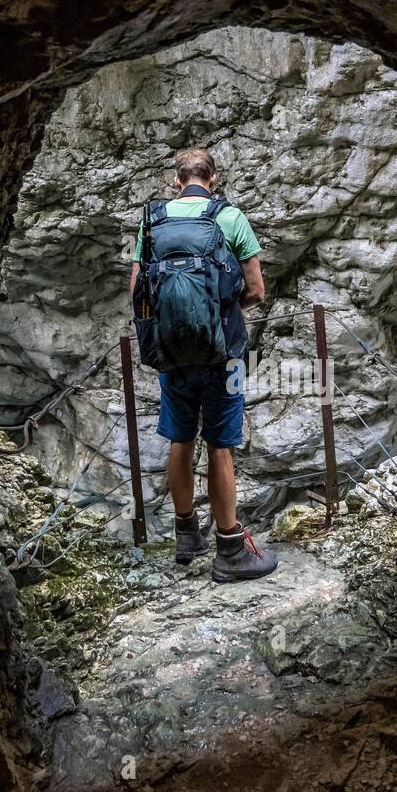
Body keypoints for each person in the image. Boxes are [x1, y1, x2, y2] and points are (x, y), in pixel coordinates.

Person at [129, 148, 278, 582]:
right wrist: (219, 312)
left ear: (177, 181)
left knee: (180, 438)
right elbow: (256, 289)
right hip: (223, 355)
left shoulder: (152, 220)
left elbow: (138, 290)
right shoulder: (229, 217)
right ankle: (230, 550)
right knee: (220, 445)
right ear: (212, 179)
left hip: (172, 355)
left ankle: (186, 533)